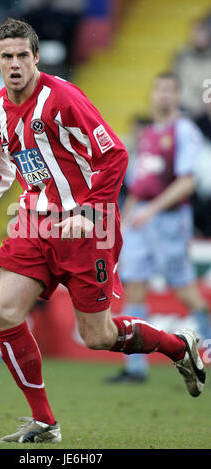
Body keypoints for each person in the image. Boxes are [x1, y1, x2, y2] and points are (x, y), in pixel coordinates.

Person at [0, 19, 206, 444]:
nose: (15, 64)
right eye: (7, 57)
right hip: (35, 222)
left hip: (90, 226)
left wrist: (88, 210)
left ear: (35, 58)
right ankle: (45, 422)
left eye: (22, 56)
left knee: (97, 336)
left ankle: (178, 347)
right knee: (4, 312)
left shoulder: (62, 98)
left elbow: (115, 155)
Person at [106, 72, 211, 384]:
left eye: (169, 90)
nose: (163, 96)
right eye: (159, 90)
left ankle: (207, 348)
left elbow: (187, 182)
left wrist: (150, 210)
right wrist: (123, 221)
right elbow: (139, 185)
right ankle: (136, 368)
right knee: (134, 287)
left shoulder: (184, 131)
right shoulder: (150, 133)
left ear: (178, 96)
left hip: (167, 220)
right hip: (141, 220)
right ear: (152, 95)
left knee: (186, 292)